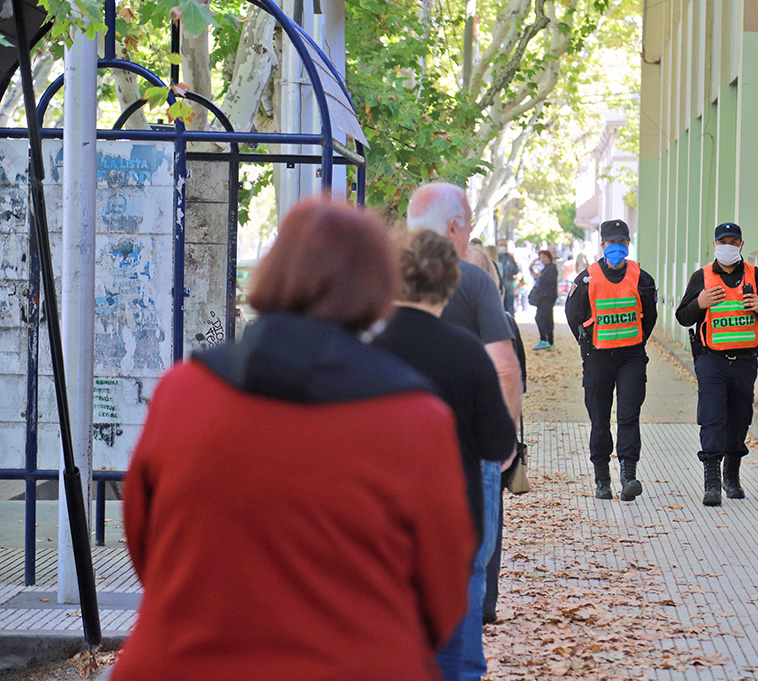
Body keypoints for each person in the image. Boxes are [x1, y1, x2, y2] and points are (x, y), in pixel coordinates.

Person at [112, 199, 474, 681]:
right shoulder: (417, 420)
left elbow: (144, 540)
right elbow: (443, 590)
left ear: (274, 269)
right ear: (378, 286)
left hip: (183, 661)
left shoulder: (182, 392)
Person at [374, 229, 517, 681]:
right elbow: (497, 443)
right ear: (449, 283)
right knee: (461, 613)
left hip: (383, 513)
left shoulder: (368, 347)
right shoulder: (467, 353)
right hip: (453, 514)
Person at [407, 182, 521, 681]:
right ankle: (461, 667)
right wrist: (506, 442)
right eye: (470, 224)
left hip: (393, 451)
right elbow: (505, 368)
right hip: (468, 451)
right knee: (471, 564)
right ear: (455, 227)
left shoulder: (377, 277)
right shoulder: (474, 281)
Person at [674, 221, 758, 506]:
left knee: (739, 418)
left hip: (745, 361)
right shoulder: (702, 277)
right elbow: (683, 316)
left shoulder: (756, 276)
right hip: (712, 360)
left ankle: (731, 476)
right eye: (723, 242)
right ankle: (711, 483)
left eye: (734, 242)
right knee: (712, 418)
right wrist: (700, 303)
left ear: (741, 245)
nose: (728, 246)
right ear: (715, 245)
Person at [565, 219, 658, 502]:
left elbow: (649, 317)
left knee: (629, 416)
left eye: (622, 242)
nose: (617, 247)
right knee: (599, 419)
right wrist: (588, 343)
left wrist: (638, 342)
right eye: (611, 243)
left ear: (628, 244)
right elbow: (573, 315)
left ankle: (629, 476)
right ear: (602, 245)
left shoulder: (642, 278)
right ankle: (602, 479)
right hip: (598, 358)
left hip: (631, 357)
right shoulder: (586, 279)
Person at [530, 249, 559, 350]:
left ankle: (544, 340)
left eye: (544, 257)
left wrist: (540, 276)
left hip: (547, 297)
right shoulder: (546, 268)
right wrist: (531, 269)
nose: (542, 259)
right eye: (541, 258)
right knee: (547, 319)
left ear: (549, 258)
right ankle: (550, 342)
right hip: (546, 296)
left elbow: (550, 281)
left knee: (539, 317)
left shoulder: (551, 268)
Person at [497, 239, 520, 314]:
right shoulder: (495, 256)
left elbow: (516, 270)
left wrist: (509, 267)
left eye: (504, 245)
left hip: (509, 282)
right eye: (501, 245)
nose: (503, 247)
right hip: (498, 283)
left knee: (509, 305)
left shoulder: (510, 257)